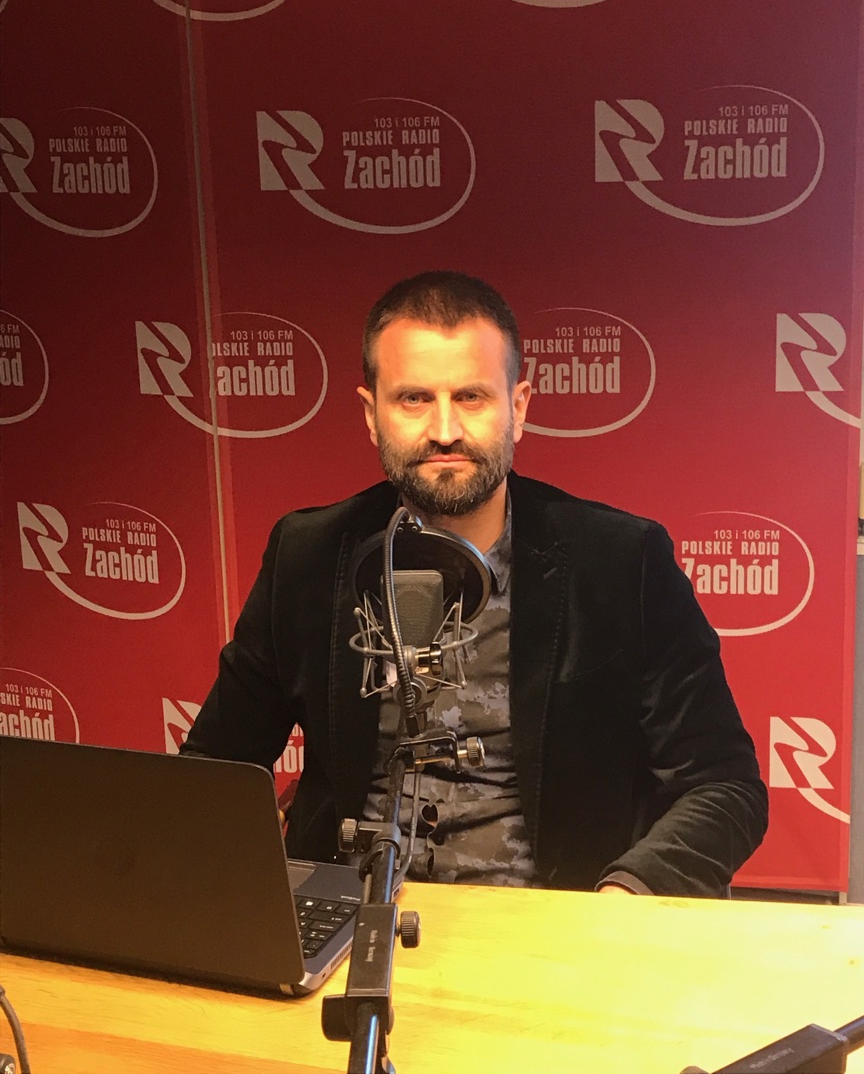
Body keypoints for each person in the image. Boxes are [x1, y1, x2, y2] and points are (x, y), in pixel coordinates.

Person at [181, 271, 768, 897]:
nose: (444, 429)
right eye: (413, 398)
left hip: (554, 919)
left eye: (470, 397)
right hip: (349, 910)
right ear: (371, 415)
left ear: (518, 408)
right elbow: (212, 771)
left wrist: (626, 898)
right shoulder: (308, 555)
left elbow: (723, 785)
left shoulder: (622, 561)